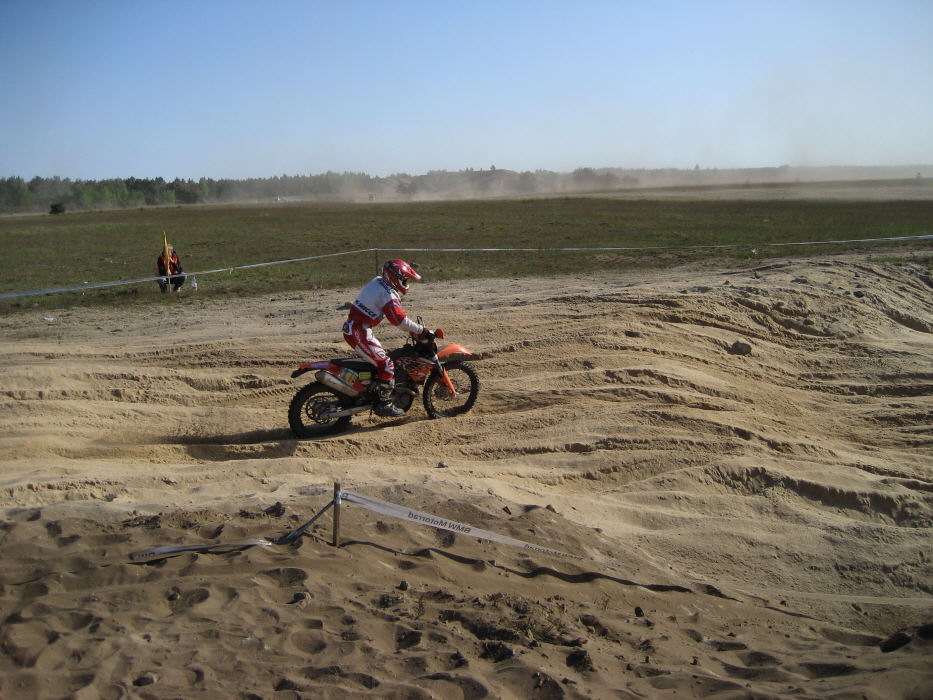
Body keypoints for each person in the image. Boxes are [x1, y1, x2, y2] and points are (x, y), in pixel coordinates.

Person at [343, 259, 435, 417]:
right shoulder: (387, 294)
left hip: (358, 328)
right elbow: (399, 320)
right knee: (386, 364)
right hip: (359, 331)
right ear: (395, 278)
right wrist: (422, 330)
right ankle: (383, 404)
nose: (406, 283)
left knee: (379, 361)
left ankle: (370, 390)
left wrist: (412, 330)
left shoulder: (379, 281)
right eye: (404, 280)